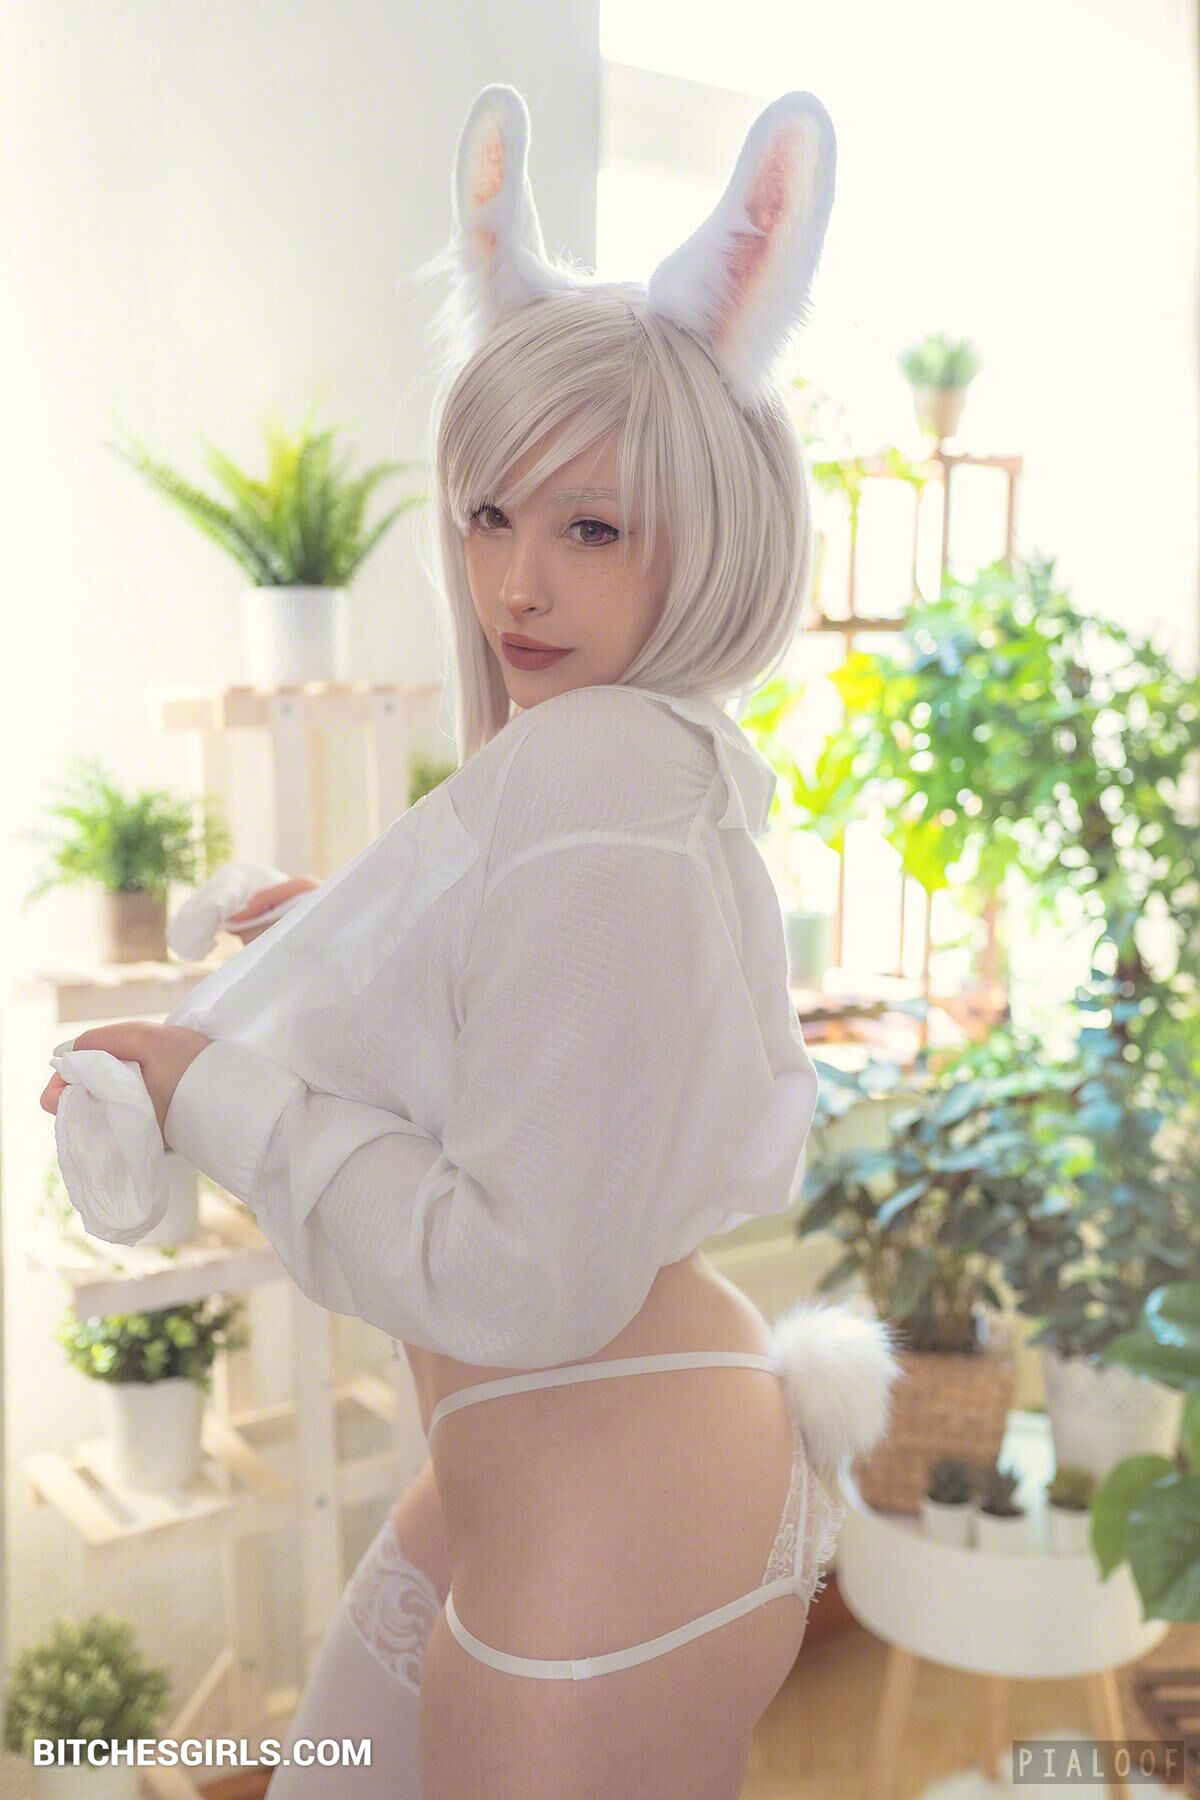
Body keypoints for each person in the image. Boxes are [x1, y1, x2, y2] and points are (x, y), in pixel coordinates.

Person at [42, 83, 900, 1798]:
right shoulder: (634, 765)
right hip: (619, 1466)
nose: (516, 585)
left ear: (705, 527)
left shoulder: (598, 775)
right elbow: (556, 1074)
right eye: (489, 515)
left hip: (604, 1529)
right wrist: (354, 956)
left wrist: (218, 1094)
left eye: (591, 527)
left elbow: (515, 1277)